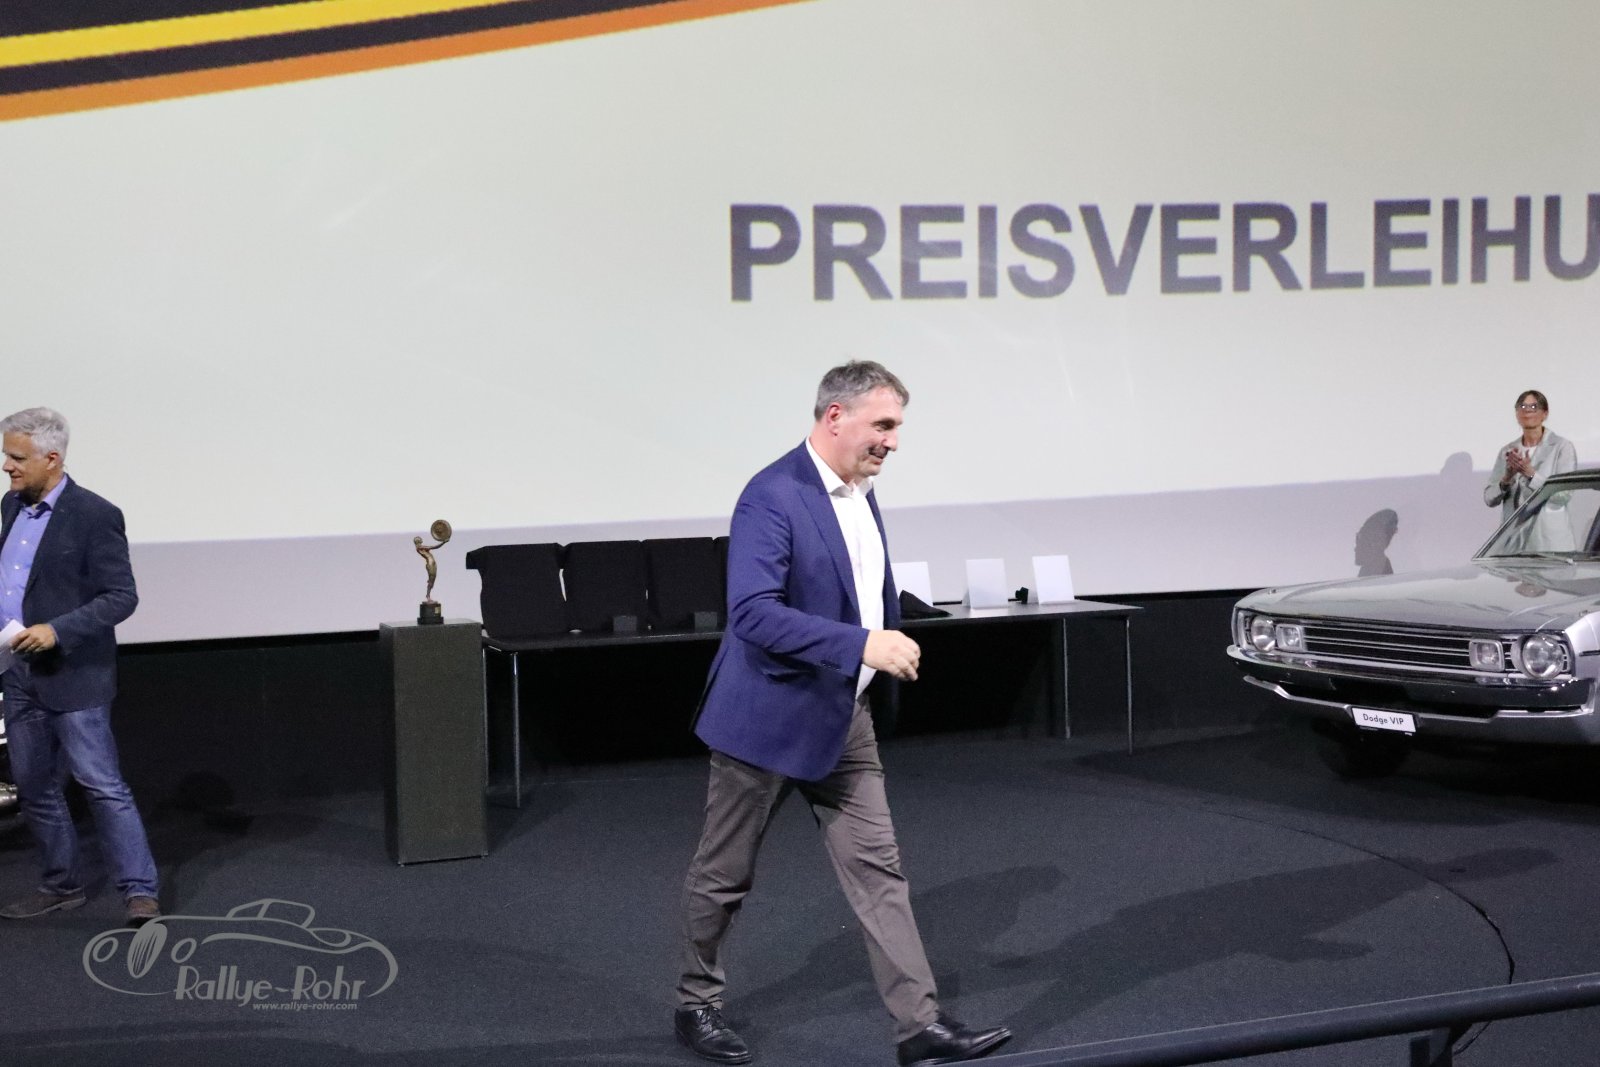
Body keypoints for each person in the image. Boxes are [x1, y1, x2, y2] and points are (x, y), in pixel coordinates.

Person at [674, 362, 1011, 1067]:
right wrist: (863, 644)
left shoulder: (862, 491)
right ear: (835, 416)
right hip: (765, 719)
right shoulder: (771, 495)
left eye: (897, 427)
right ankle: (696, 1002)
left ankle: (918, 1027)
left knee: (879, 870)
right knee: (725, 874)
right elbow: (753, 614)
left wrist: (878, 647)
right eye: (882, 424)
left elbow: (857, 589)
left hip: (843, 715)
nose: (893, 441)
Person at [0, 407, 160, 926]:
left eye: (17, 457)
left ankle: (140, 891)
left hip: (74, 675)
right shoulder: (10, 506)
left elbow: (121, 596)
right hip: (17, 672)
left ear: (52, 458)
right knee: (34, 786)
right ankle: (60, 885)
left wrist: (57, 629)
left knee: (101, 785)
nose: (7, 466)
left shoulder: (95, 514)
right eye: (6, 455)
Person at [1484, 389, 1578, 523]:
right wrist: (1506, 479)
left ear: (1545, 414)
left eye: (1533, 407)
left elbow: (1563, 496)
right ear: (1517, 414)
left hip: (1547, 532)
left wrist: (1531, 475)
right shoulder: (1507, 451)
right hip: (1514, 532)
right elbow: (1489, 498)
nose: (1527, 410)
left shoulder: (1562, 447)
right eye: (1522, 406)